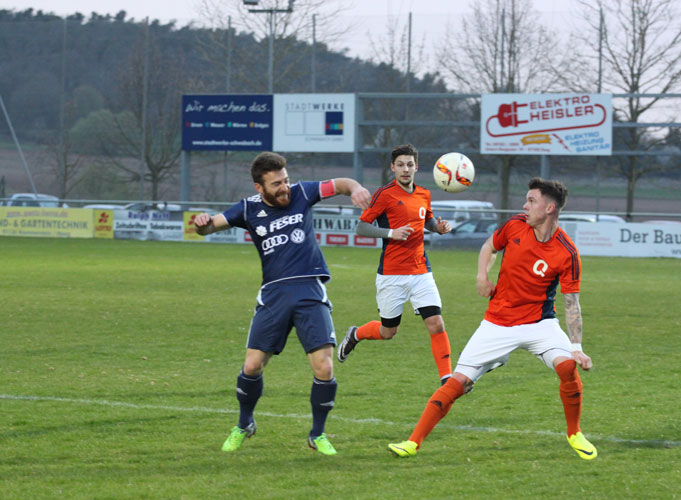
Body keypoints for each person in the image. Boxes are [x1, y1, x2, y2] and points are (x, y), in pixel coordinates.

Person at [387, 177, 598, 460]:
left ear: (549, 208)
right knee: (457, 383)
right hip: (497, 322)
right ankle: (412, 442)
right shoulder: (514, 226)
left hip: (540, 324)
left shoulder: (567, 252)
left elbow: (571, 302)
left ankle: (574, 433)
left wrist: (577, 347)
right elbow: (489, 246)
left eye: (531, 201)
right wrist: (482, 275)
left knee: (567, 367)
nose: (525, 205)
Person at [194, 151, 371, 456]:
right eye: (276, 183)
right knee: (252, 366)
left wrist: (355, 188)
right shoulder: (247, 209)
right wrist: (201, 223)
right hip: (274, 294)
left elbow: (341, 183)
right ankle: (244, 424)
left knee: (324, 367)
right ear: (259, 187)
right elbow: (211, 226)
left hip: (309, 290)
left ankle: (318, 434)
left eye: (285, 180)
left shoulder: (303, 192)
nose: (284, 187)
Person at [336, 144, 454, 385]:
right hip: (392, 274)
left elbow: (427, 219)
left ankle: (447, 378)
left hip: (421, 270)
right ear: (393, 168)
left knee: (436, 323)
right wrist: (391, 233)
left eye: (410, 165)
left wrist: (437, 228)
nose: (405, 169)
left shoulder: (424, 193)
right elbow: (361, 227)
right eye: (400, 165)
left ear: (416, 167)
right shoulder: (384, 194)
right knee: (388, 331)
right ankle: (355, 334)